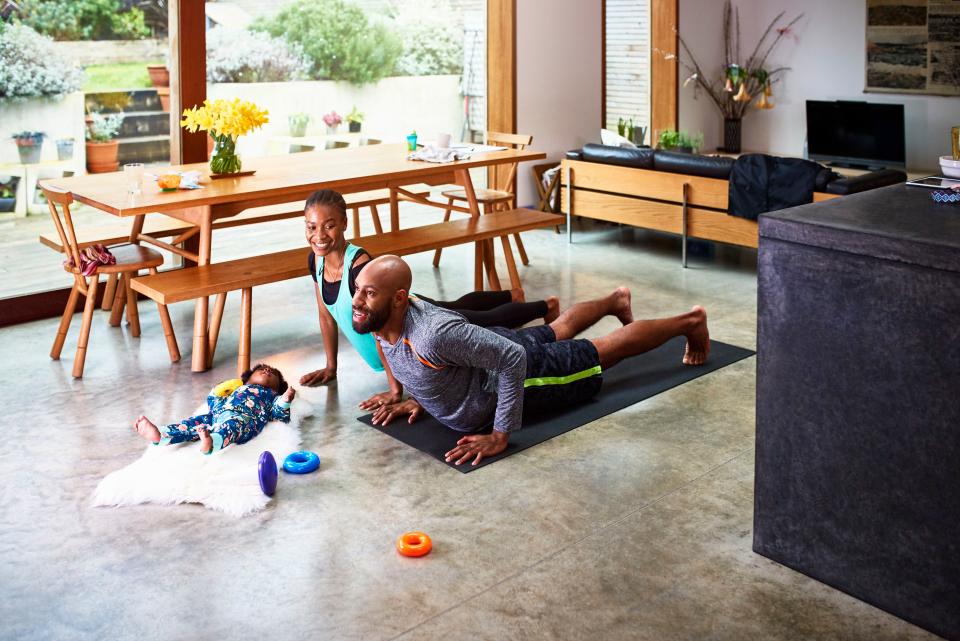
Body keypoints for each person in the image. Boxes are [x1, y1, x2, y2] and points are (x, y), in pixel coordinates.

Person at [354, 255, 711, 466]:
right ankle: (616, 301)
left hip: (518, 373)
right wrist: (403, 393)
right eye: (358, 289)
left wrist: (499, 435)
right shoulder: (377, 317)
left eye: (369, 293)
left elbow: (511, 359)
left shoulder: (434, 334)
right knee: (558, 329)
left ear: (400, 298)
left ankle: (690, 323)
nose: (357, 300)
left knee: (600, 351)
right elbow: (390, 346)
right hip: (482, 353)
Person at [297, 189, 560, 408]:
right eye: (312, 227)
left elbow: (380, 330)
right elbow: (326, 315)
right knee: (460, 306)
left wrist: (394, 391)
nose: (319, 236)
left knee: (480, 320)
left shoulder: (358, 266)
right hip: (408, 305)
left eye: (329, 226)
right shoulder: (316, 261)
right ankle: (511, 295)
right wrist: (331, 368)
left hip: (409, 315)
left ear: (344, 223)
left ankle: (545, 306)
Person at [134, 363, 295, 455]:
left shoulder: (270, 396)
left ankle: (212, 443)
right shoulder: (238, 389)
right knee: (191, 424)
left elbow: (279, 413)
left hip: (245, 419)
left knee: (231, 428)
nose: (267, 370)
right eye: (261, 369)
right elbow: (213, 399)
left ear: (277, 388)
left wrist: (285, 399)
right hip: (217, 414)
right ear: (247, 379)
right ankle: (160, 435)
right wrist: (226, 387)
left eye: (272, 373)